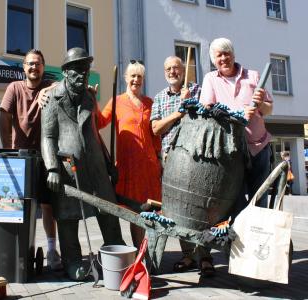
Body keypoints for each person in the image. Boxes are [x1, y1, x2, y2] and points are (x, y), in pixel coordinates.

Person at [41, 47, 125, 281]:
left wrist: (108, 162)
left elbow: (95, 133)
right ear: (66, 72)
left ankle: (116, 248)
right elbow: (47, 136)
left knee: (108, 209)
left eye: (86, 71)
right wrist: (52, 168)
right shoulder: (52, 99)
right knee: (68, 217)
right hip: (68, 168)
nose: (83, 75)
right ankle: (73, 260)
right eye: (77, 70)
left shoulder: (89, 97)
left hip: (96, 166)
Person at [150, 56, 214, 277]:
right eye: (168, 68)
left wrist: (191, 102)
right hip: (170, 159)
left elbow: (208, 116)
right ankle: (188, 254)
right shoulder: (159, 98)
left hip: (195, 159)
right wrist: (179, 110)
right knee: (178, 210)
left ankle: (204, 256)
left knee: (199, 209)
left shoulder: (197, 90)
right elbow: (156, 129)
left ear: (183, 70)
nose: (172, 72)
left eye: (176, 68)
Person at [0, 49, 62, 271]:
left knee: (47, 206)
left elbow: (63, 86)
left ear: (43, 67)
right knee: (18, 206)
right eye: (30, 64)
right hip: (20, 158)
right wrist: (8, 149)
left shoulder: (49, 86)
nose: (33, 67)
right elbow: (4, 116)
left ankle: (52, 250)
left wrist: (52, 88)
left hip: (45, 157)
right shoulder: (14, 88)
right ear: (24, 67)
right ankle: (17, 250)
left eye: (38, 63)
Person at [200, 37, 273, 210]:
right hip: (230, 150)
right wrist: (236, 115)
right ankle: (237, 234)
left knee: (259, 196)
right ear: (214, 60)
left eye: (227, 53)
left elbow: (269, 109)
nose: (224, 58)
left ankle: (258, 233)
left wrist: (261, 104)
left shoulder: (253, 76)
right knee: (234, 197)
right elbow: (206, 110)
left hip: (258, 146)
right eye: (219, 55)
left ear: (233, 55)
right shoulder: (210, 79)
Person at [98, 60, 162, 249]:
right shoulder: (116, 102)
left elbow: (154, 134)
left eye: (139, 76)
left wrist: (159, 158)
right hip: (128, 165)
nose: (136, 79)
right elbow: (100, 122)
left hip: (149, 165)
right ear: (126, 78)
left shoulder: (150, 103)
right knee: (135, 211)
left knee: (151, 211)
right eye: (133, 76)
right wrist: (92, 100)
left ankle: (149, 252)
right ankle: (140, 252)